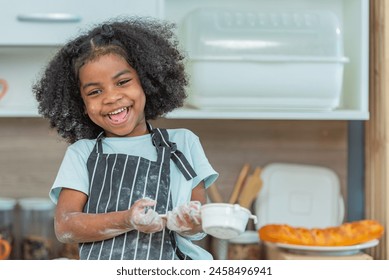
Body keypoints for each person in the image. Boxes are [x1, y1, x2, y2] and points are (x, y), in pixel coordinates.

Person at [32, 17, 218, 260]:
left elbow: (199, 223)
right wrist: (127, 219)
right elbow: (66, 226)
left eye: (122, 82)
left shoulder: (183, 143)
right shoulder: (82, 153)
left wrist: (189, 221)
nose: (111, 97)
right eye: (95, 91)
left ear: (147, 83)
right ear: (82, 104)